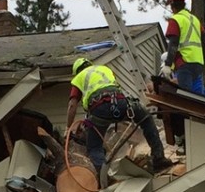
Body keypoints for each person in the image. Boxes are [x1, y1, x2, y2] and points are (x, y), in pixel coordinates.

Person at [68, 50, 172, 178]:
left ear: (77, 71)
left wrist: (68, 127)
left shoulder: (79, 77)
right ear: (90, 64)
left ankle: (103, 179)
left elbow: (72, 105)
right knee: (146, 118)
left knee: (94, 147)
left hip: (99, 110)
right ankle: (158, 158)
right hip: (121, 103)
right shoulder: (104, 69)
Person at [163, 0, 205, 96]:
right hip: (198, 64)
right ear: (183, 3)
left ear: (172, 5)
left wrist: (168, 64)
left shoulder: (176, 19)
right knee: (198, 97)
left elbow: (173, 43)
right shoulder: (195, 20)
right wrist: (203, 60)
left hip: (184, 63)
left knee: (185, 97)